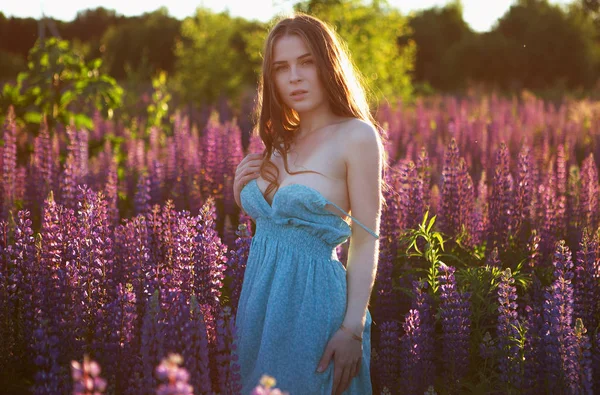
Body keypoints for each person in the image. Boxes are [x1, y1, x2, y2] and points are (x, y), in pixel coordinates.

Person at [232, 12, 385, 395]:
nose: (294, 76)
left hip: (312, 306)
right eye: (282, 68)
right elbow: (275, 224)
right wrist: (240, 192)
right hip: (259, 305)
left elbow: (366, 240)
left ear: (328, 64)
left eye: (307, 62)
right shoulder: (281, 139)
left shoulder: (356, 136)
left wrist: (352, 328)